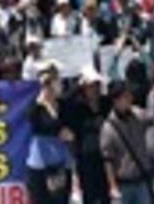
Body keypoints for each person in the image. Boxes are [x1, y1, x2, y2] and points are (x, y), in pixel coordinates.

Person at [100, 80, 154, 204]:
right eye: (125, 96)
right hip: (124, 184)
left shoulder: (138, 115)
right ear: (116, 101)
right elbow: (108, 160)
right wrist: (112, 186)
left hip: (141, 180)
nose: (130, 99)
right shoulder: (108, 127)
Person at [27, 62, 74, 204]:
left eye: (52, 81)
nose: (50, 86)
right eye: (46, 83)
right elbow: (34, 121)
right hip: (40, 164)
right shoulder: (36, 107)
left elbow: (67, 129)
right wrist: (44, 102)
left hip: (61, 162)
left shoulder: (64, 105)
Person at [64, 67, 110, 204]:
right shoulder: (77, 107)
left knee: (105, 194)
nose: (94, 89)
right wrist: (77, 86)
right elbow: (64, 100)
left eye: (97, 85)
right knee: (89, 195)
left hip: (105, 156)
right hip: (85, 158)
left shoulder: (105, 103)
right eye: (91, 86)